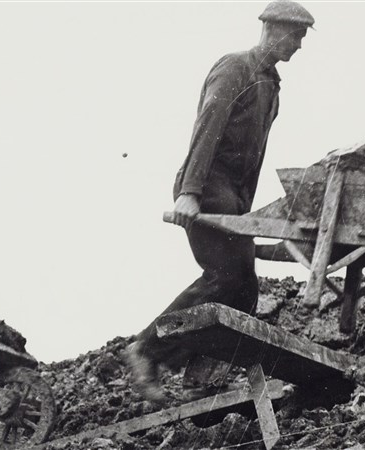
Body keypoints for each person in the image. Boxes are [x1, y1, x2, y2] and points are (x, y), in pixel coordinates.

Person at [128, 0, 314, 401]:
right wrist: (190, 193)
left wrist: (249, 221)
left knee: (245, 290)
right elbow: (208, 127)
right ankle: (145, 350)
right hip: (208, 184)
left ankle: (200, 379)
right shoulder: (236, 67)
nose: (299, 45)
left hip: (233, 196)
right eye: (295, 35)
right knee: (224, 278)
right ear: (271, 29)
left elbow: (255, 157)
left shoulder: (272, 87)